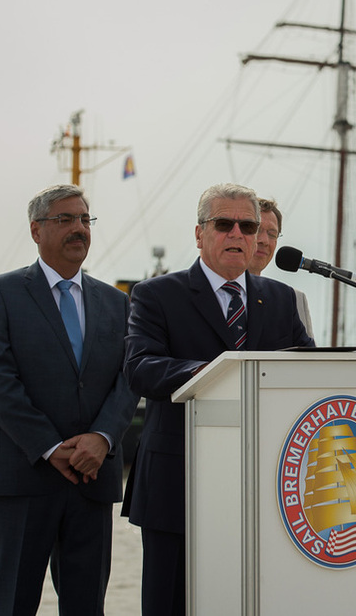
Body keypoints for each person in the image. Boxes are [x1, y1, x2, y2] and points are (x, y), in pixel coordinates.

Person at [122, 183, 315, 616]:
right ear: (199, 233)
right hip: (177, 483)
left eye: (248, 226)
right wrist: (220, 374)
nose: (238, 234)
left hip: (263, 485)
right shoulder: (155, 295)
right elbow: (140, 368)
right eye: (223, 224)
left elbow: (306, 373)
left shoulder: (281, 299)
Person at [0, 184, 138, 616]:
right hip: (20, 480)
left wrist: (102, 438)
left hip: (91, 479)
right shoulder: (0, 293)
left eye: (85, 219)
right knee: (12, 606)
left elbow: (128, 378)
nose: (78, 228)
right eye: (65, 219)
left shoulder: (117, 303)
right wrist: (50, 447)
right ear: (36, 230)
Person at [249, 197, 314, 338]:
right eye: (257, 230)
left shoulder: (294, 300)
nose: (264, 241)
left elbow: (309, 358)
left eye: (272, 234)